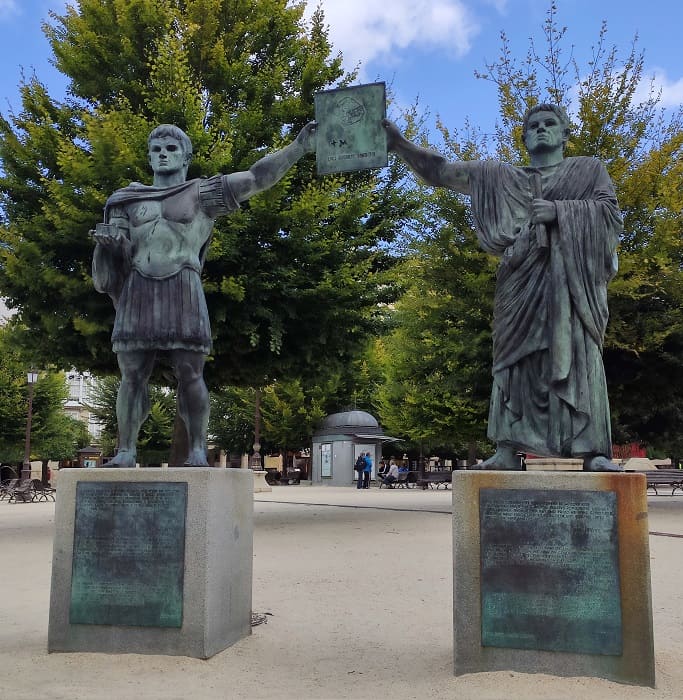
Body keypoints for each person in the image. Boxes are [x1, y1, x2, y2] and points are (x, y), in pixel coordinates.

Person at [383, 104, 622, 472]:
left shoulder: (588, 170)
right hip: (519, 281)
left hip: (571, 284)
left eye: (550, 124)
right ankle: (508, 448)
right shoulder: (500, 177)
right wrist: (400, 144)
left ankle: (594, 450)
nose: (541, 129)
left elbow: (608, 216)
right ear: (524, 138)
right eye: (533, 125)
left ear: (564, 134)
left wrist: (560, 213)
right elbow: (442, 173)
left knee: (577, 354)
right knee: (512, 361)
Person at [92, 122, 317, 467]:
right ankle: (126, 451)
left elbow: (258, 177)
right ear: (150, 157)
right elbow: (120, 254)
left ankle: (198, 449)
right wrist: (112, 246)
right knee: (132, 374)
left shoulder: (202, 193)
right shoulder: (127, 199)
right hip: (138, 287)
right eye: (156, 150)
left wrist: (299, 147)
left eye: (171, 149)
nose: (163, 155)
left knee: (190, 372)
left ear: (186, 156)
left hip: (183, 284)